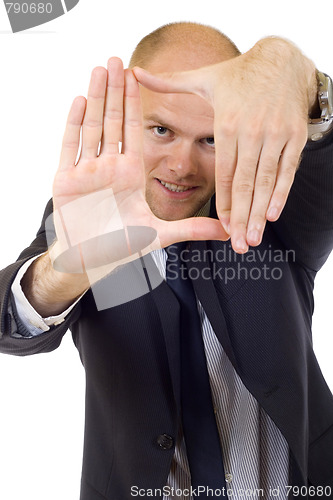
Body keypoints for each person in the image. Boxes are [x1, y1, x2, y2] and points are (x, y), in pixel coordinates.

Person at [0, 21, 333, 499]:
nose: (182, 166)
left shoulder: (274, 205)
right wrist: (65, 272)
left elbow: (324, 146)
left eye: (212, 139)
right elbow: (9, 326)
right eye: (161, 129)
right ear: (126, 117)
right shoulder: (91, 215)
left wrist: (298, 74)